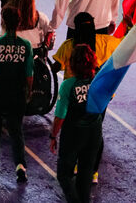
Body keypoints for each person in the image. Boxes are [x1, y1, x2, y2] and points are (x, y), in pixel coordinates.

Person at [0, 6, 34, 182]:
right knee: (16, 130)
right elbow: (29, 73)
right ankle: (20, 165)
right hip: (17, 94)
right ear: (19, 23)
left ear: (2, 22)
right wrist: (29, 91)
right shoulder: (26, 46)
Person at [50, 44, 104, 203]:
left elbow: (60, 115)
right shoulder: (98, 81)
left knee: (64, 175)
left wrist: (53, 135)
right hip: (94, 133)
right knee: (85, 176)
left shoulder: (68, 85)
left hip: (73, 134)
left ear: (72, 63)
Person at [53, 12, 121, 81]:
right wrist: (129, 26)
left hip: (72, 90)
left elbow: (54, 68)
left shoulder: (67, 46)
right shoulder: (107, 42)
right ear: (93, 26)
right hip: (99, 90)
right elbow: (128, 42)